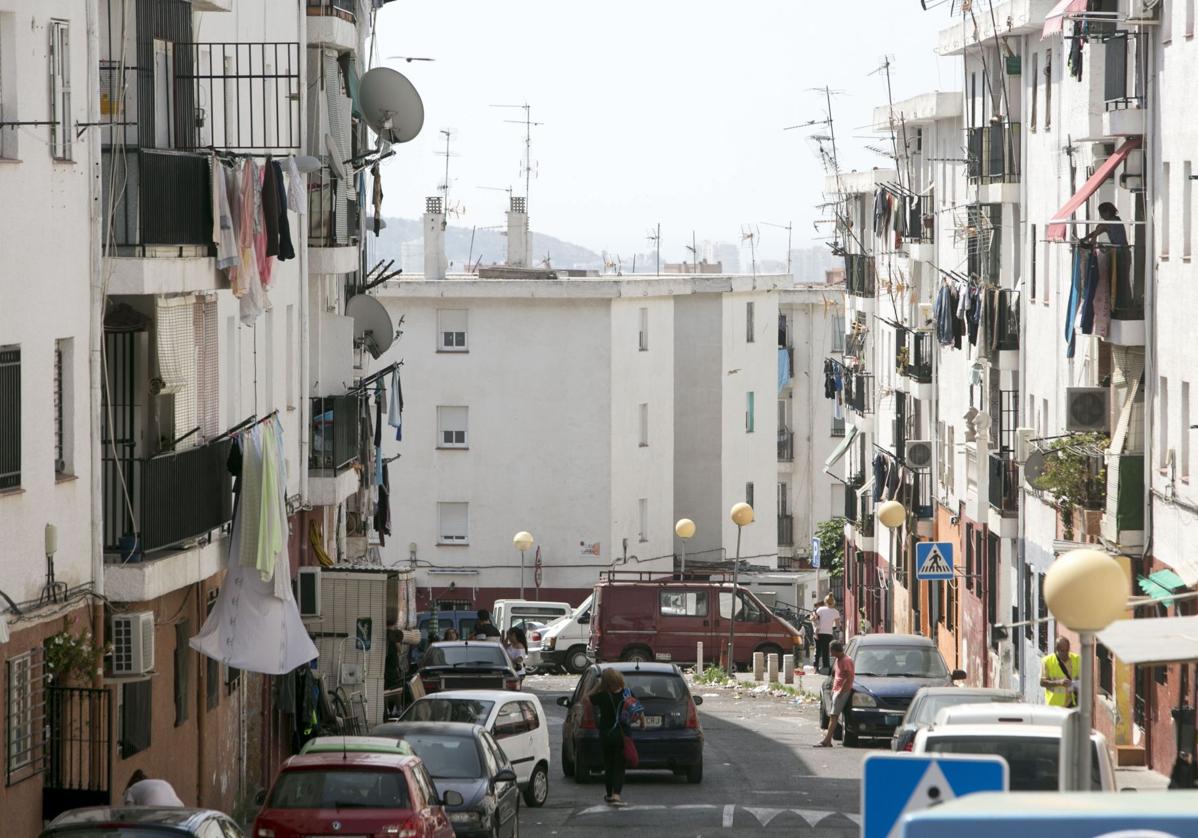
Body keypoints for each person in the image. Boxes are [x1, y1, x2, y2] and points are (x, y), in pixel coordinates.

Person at [589, 669, 643, 806]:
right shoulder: (627, 693)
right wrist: (642, 723)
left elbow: (586, 698)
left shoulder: (602, 696)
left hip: (606, 735)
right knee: (619, 765)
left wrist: (597, 685)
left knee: (608, 765)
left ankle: (609, 794)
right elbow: (637, 709)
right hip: (622, 734)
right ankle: (616, 795)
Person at [816, 640, 854, 748]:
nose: (829, 653)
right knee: (833, 716)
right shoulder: (838, 659)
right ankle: (827, 741)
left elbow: (848, 677)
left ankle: (826, 741)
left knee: (833, 716)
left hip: (842, 692)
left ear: (834, 650)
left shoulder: (846, 660)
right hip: (836, 690)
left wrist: (841, 691)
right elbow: (837, 676)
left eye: (830, 650)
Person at [1041, 636, 1081, 708]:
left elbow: (1083, 679)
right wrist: (1059, 682)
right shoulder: (1047, 661)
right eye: (1062, 651)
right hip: (1054, 705)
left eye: (1067, 650)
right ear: (1057, 649)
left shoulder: (1077, 659)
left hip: (1072, 703)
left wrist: (1075, 683)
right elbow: (1042, 682)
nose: (1065, 653)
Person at [813, 595, 841, 674]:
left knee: (817, 650)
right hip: (828, 633)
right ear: (833, 602)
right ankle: (826, 668)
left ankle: (815, 668)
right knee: (826, 651)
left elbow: (815, 619)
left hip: (818, 632)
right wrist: (837, 629)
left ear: (825, 602)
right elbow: (837, 624)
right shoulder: (836, 612)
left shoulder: (820, 609)